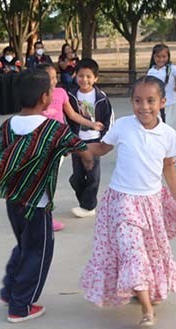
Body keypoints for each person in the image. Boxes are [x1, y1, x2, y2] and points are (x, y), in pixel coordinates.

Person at [0, 70, 95, 323]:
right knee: (39, 252)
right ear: (45, 98)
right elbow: (83, 151)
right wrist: (87, 165)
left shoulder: (7, 126)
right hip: (37, 205)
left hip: (13, 201)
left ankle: (10, 291)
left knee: (24, 246)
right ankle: (20, 305)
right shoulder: (53, 128)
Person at [80, 76, 176, 327]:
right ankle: (146, 309)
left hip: (150, 203)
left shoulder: (168, 135)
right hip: (121, 201)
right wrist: (84, 148)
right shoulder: (122, 126)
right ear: (131, 102)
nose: (144, 107)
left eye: (151, 101)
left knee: (149, 252)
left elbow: (168, 168)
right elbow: (103, 147)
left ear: (162, 102)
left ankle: (141, 289)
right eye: (138, 101)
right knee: (131, 250)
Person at [35, 63, 105, 231]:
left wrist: (91, 123)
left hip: (58, 146)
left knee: (48, 181)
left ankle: (43, 216)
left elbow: (73, 114)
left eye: (54, 77)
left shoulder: (61, 93)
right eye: (47, 78)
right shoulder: (35, 96)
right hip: (40, 145)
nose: (51, 81)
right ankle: (43, 218)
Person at [66, 58, 113, 218]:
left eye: (88, 76)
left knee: (93, 173)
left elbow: (109, 118)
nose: (84, 80)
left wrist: (105, 138)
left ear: (95, 78)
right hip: (76, 141)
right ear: (75, 76)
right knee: (78, 175)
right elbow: (66, 118)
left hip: (95, 141)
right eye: (80, 76)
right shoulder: (70, 96)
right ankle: (84, 202)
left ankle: (88, 206)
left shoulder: (101, 97)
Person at [146, 44, 176, 142]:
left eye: (164, 56)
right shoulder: (151, 71)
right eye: (158, 56)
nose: (161, 59)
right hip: (156, 105)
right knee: (158, 127)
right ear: (153, 57)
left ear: (168, 57)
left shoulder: (171, 69)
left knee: (174, 127)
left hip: (171, 103)